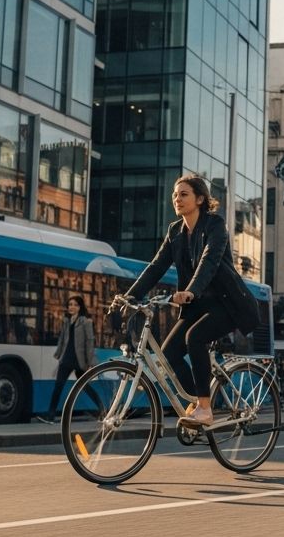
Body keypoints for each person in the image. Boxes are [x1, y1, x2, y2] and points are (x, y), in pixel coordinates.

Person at [122, 175, 260, 428]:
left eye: (183, 194)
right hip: (197, 306)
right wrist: (130, 295)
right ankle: (198, 401)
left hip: (227, 303)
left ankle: (205, 409)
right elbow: (156, 267)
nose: (177, 199)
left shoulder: (215, 225)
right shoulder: (175, 231)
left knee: (194, 337)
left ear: (200, 199)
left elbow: (210, 261)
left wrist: (191, 291)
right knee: (168, 353)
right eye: (175, 194)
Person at [38, 294, 96, 424]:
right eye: (70, 304)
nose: (72, 307)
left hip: (79, 360)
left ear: (80, 307)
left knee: (86, 387)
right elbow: (62, 340)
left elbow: (90, 342)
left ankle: (104, 410)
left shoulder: (86, 322)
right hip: (66, 360)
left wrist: (91, 362)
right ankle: (50, 415)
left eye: (75, 305)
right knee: (58, 386)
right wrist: (59, 355)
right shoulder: (66, 321)